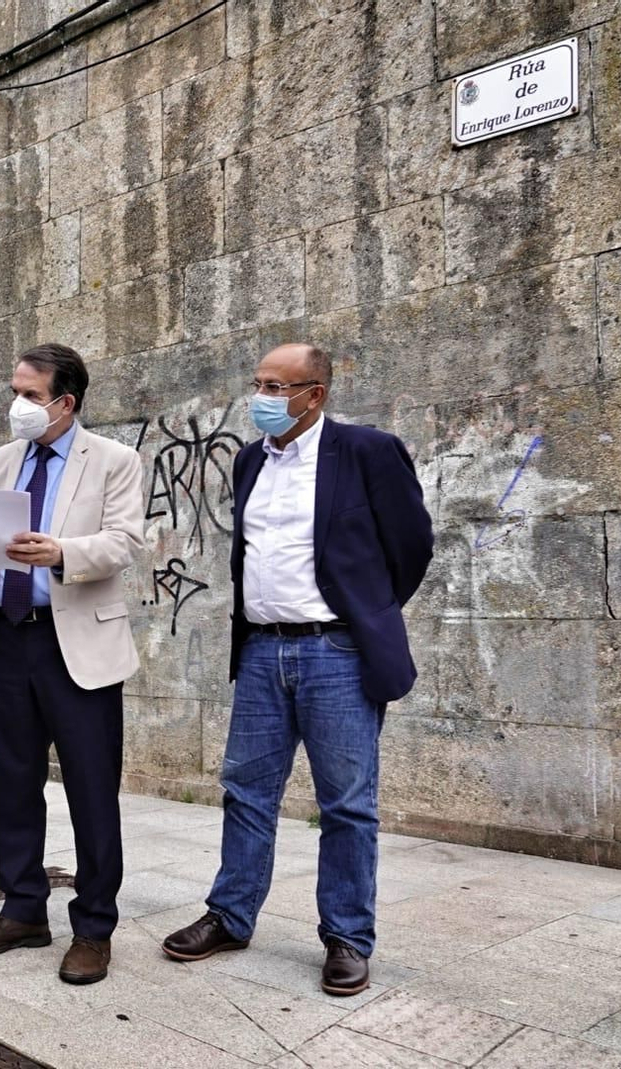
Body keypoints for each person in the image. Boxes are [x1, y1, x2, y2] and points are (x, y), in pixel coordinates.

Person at [161, 343, 433, 997]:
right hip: (260, 651)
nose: (263, 397)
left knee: (345, 804)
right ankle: (230, 915)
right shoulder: (251, 458)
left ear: (314, 394)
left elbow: (412, 544)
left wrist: (366, 610)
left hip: (335, 652)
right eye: (258, 383)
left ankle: (346, 937)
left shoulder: (367, 451)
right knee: (247, 791)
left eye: (277, 387)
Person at [0, 343, 145, 985]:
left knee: (92, 790)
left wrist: (61, 551)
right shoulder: (2, 463)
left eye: (31, 395)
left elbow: (125, 540)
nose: (18, 406)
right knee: (13, 783)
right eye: (15, 391)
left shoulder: (115, 460)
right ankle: (22, 910)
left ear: (66, 402)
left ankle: (94, 926)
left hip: (78, 646)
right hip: (8, 639)